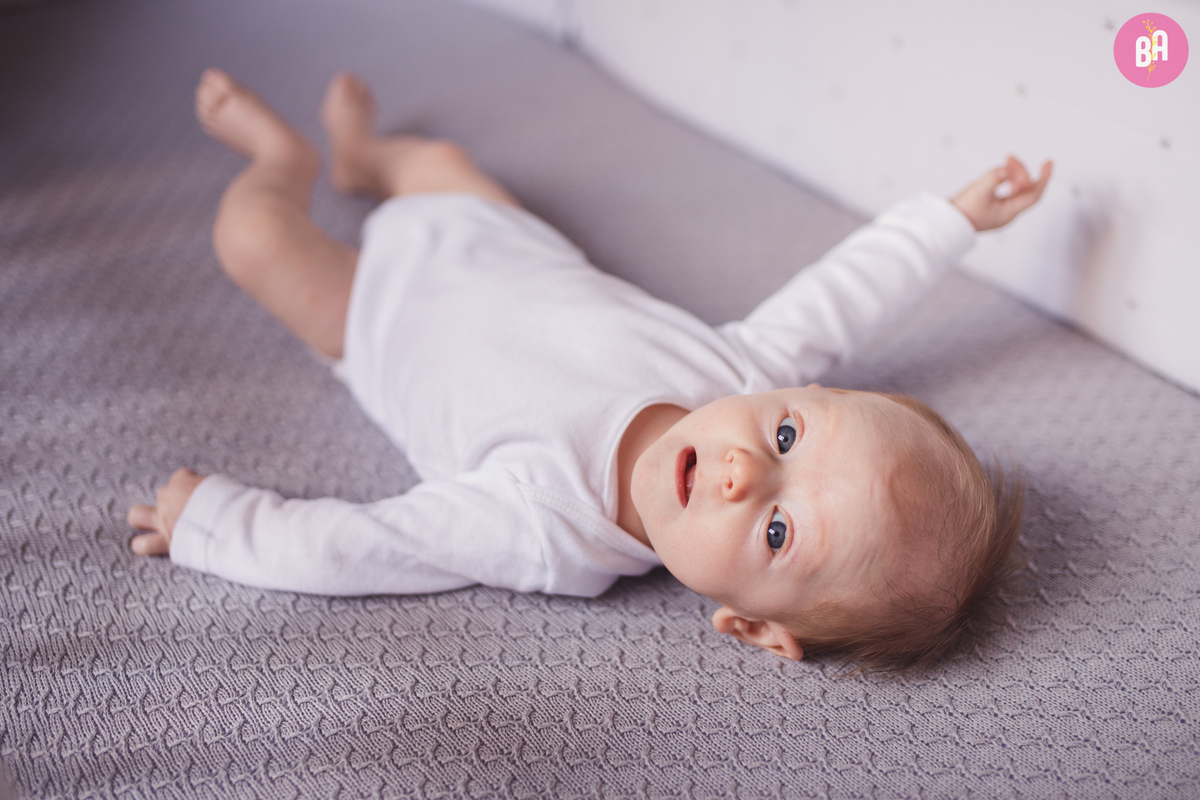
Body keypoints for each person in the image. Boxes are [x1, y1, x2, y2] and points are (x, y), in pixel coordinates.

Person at [127, 68, 1053, 671]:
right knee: (437, 161)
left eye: (776, 533)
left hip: (370, 314)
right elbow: (844, 291)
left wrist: (214, 523)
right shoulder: (739, 369)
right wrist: (954, 219)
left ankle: (281, 159)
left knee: (248, 237)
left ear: (756, 627)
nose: (743, 470)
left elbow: (355, 546)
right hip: (495, 237)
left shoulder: (539, 526)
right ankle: (367, 160)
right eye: (785, 437)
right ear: (796, 396)